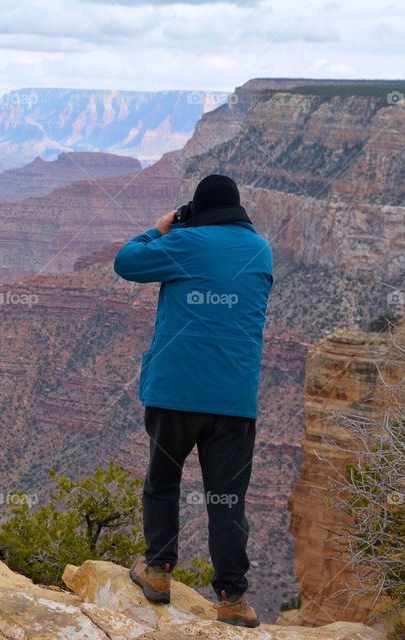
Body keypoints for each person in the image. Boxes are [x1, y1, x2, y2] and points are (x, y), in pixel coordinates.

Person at [112, 174, 272, 628]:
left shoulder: (185, 242)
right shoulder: (261, 250)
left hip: (175, 394)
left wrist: (162, 228)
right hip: (234, 400)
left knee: (163, 481)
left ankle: (158, 571)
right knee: (227, 499)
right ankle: (233, 598)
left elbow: (126, 262)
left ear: (196, 212)